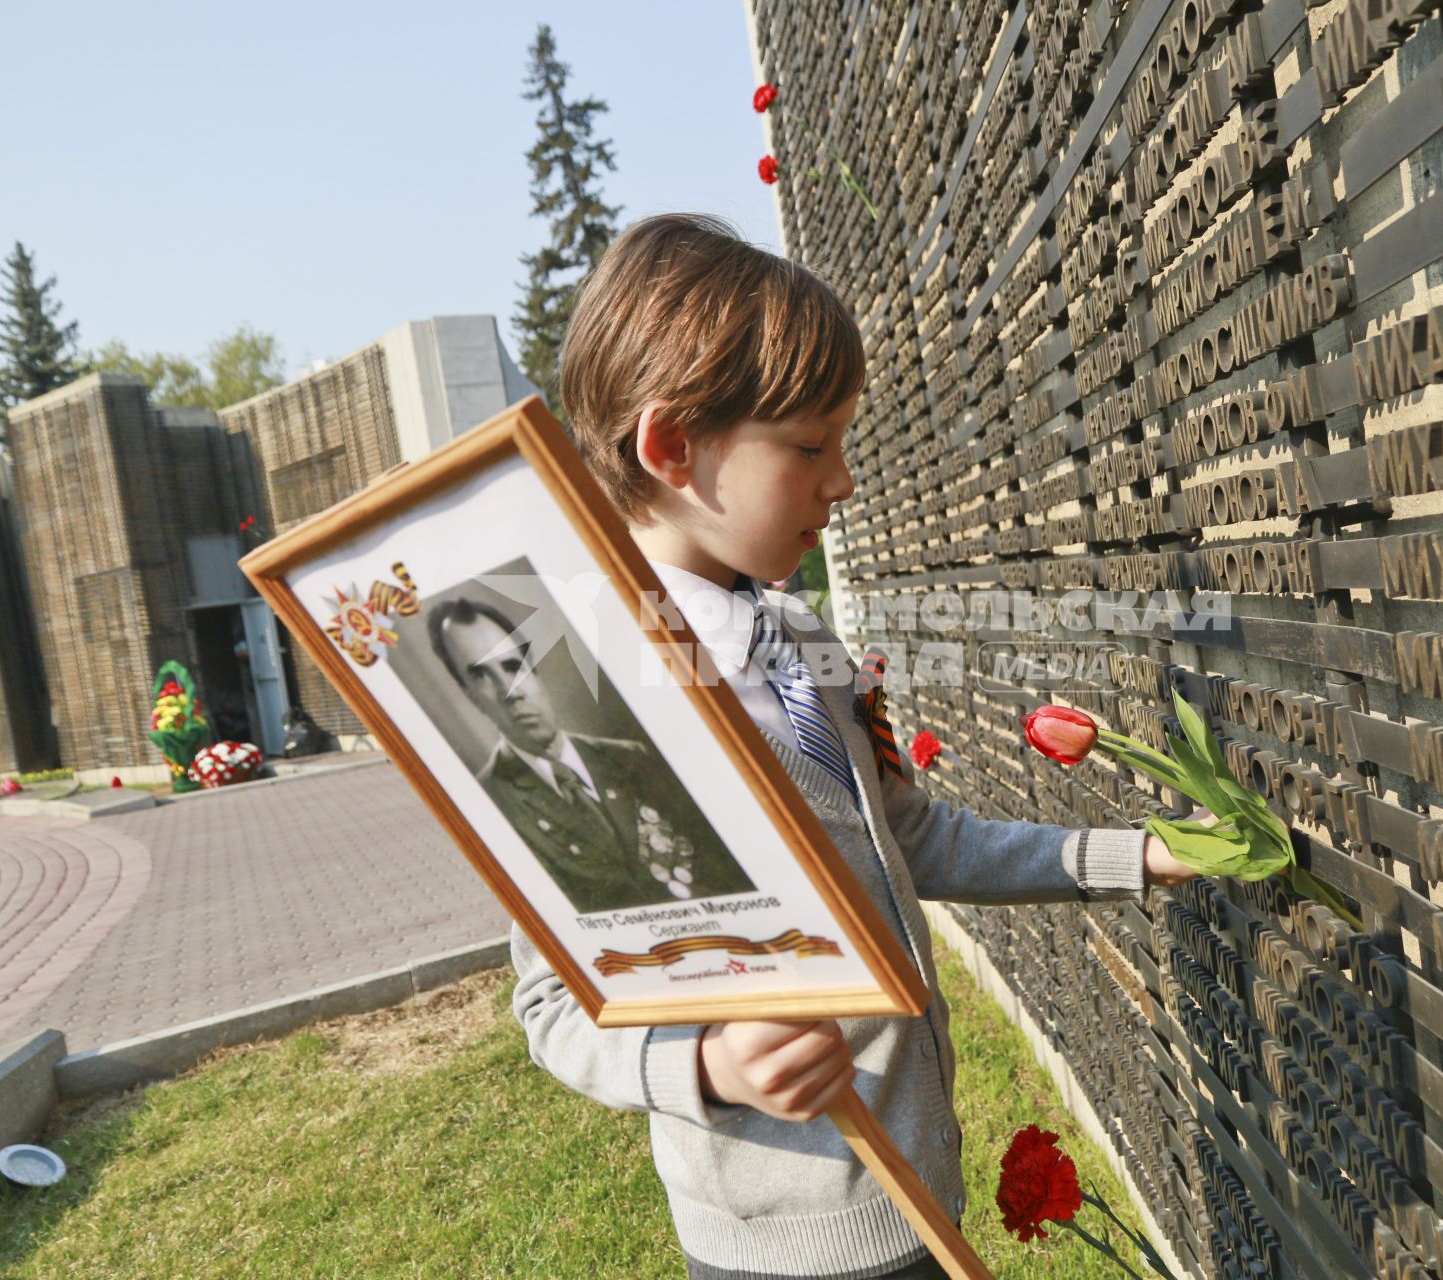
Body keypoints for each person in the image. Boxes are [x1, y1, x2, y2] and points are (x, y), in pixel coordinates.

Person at [508, 212, 1206, 1279]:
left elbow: (907, 840)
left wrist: (1138, 854)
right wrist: (707, 1059)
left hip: (919, 1191)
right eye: (809, 446)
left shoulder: (802, 639)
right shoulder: (585, 705)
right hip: (789, 1252)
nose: (841, 482)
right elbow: (554, 1002)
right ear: (672, 446)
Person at [430, 594, 755, 914]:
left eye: (513, 666)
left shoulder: (630, 757)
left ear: (535, 671)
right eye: (480, 675)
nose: (509, 691)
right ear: (469, 696)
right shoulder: (492, 803)